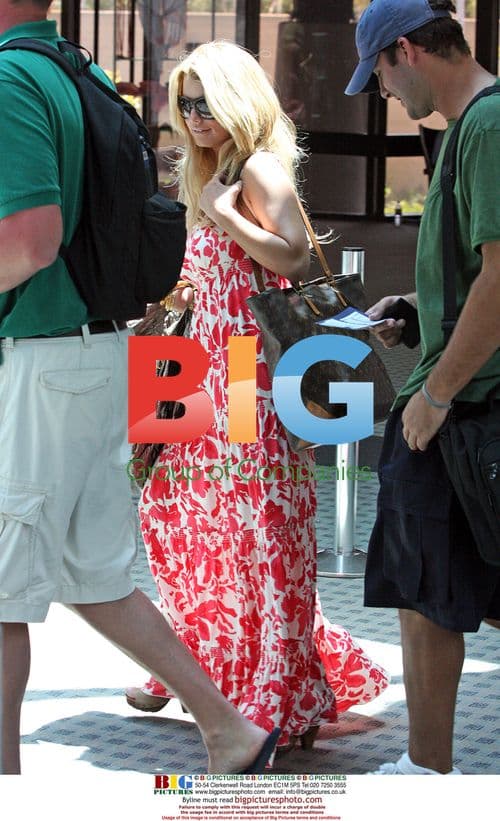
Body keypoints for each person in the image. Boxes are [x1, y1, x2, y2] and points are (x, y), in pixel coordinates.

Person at [0, 0, 282, 776]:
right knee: (95, 575)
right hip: (101, 353)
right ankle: (231, 730)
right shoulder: (78, 73)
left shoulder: (11, 77)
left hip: (44, 358)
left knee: (2, 597)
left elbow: (29, 240)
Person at [128, 39, 389, 752]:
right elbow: (198, 277)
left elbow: (295, 257)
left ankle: (272, 682)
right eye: (185, 103)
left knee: (253, 524)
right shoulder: (203, 172)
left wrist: (225, 213)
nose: (194, 115)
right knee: (171, 512)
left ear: (237, 100)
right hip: (183, 360)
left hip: (242, 367)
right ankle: (196, 658)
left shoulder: (257, 169)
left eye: (205, 100)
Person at [345, 0, 500, 775]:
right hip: (454, 408)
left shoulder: (490, 125)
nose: (379, 90)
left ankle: (429, 767)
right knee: (423, 587)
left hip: (473, 409)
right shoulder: (465, 129)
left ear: (404, 49)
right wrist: (414, 311)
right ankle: (425, 767)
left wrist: (435, 393)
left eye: (376, 71)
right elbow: (474, 276)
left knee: (441, 587)